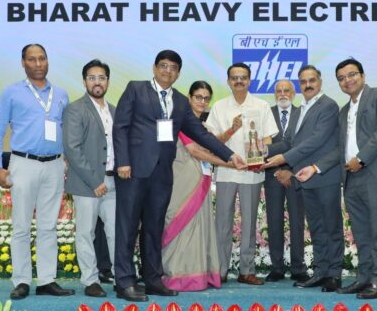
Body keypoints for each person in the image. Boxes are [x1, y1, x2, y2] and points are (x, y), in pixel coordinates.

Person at [112, 50, 245, 302]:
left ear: (178, 73)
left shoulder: (181, 101)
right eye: (163, 66)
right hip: (134, 171)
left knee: (154, 228)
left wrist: (229, 155)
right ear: (154, 68)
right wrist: (123, 162)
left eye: (173, 68)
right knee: (127, 227)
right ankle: (125, 282)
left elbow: (200, 134)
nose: (167, 71)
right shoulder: (136, 89)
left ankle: (153, 280)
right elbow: (120, 126)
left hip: (163, 174)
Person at [300, 58, 377, 300]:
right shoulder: (344, 111)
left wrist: (360, 158)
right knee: (361, 232)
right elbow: (340, 149)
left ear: (362, 75)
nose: (347, 80)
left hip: (376, 174)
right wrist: (315, 168)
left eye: (351, 75)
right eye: (341, 78)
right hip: (351, 177)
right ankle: (364, 278)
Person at [0, 44, 74, 300]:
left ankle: (47, 280)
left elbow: (66, 131)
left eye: (42, 59)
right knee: (21, 226)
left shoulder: (61, 94)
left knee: (49, 226)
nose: (38, 64)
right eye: (32, 59)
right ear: (23, 63)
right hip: (23, 164)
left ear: (48, 61)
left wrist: (67, 160)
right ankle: (22, 280)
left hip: (54, 165)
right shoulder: (11, 93)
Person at [264, 65, 343, 293]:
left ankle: (334, 275)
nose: (308, 85)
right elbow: (290, 141)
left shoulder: (328, 105)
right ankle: (320, 272)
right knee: (317, 228)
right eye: (304, 81)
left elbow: (316, 140)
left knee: (331, 227)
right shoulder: (302, 109)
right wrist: (262, 151)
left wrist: (284, 158)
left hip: (324, 176)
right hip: (306, 179)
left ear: (320, 81)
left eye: (312, 80)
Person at [207, 63, 277, 286]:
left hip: (252, 173)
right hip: (226, 171)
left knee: (249, 224)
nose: (239, 81)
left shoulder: (261, 105)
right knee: (222, 224)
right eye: (234, 78)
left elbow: (268, 138)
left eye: (243, 77)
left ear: (249, 80)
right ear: (228, 81)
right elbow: (212, 141)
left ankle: (247, 271)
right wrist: (232, 129)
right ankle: (220, 270)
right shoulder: (219, 107)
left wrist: (261, 156)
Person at [161, 80, 231, 291]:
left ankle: (199, 275)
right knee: (180, 224)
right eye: (198, 97)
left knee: (200, 227)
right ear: (189, 98)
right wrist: (229, 162)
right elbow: (195, 151)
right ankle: (176, 275)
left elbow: (210, 148)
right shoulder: (180, 121)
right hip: (181, 180)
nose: (202, 102)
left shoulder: (203, 127)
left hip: (200, 180)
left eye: (206, 98)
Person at [62, 59, 117, 298]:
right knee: (86, 233)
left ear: (108, 81)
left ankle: (121, 277)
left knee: (116, 233)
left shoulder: (114, 110)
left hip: (113, 182)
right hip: (87, 184)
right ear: (85, 81)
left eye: (101, 78)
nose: (97, 82)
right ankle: (90, 280)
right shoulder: (75, 109)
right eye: (92, 78)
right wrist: (95, 182)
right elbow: (72, 149)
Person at [263, 79, 309, 283]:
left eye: (287, 90)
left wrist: (290, 171)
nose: (282, 94)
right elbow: (261, 145)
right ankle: (277, 267)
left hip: (296, 175)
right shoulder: (266, 113)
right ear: (275, 94)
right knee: (274, 221)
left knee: (297, 221)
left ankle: (298, 267)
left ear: (293, 93)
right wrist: (277, 171)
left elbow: (305, 145)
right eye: (279, 91)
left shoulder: (302, 114)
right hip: (272, 175)